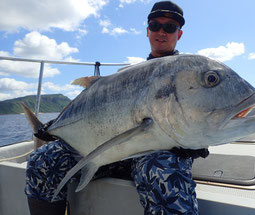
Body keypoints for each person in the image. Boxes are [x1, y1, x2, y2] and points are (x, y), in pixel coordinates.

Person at [25, 1, 209, 215]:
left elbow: (204, 117)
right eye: (156, 25)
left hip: (155, 154)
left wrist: (195, 143)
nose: (162, 31)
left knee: (162, 172)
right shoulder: (127, 78)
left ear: (179, 33)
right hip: (112, 153)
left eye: (170, 27)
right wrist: (54, 130)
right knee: (42, 160)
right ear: (147, 31)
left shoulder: (190, 75)